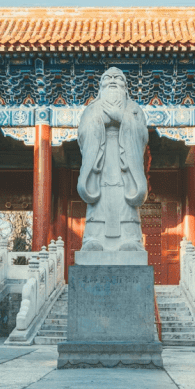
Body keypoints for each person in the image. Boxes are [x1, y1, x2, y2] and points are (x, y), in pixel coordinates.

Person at [76, 67, 148, 251]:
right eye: (108, 78)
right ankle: (93, 238)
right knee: (99, 199)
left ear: (125, 87)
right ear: (101, 87)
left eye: (118, 78)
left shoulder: (133, 109)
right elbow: (83, 135)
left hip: (125, 165)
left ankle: (131, 239)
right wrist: (99, 121)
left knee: (126, 199)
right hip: (100, 163)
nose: (113, 80)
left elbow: (142, 135)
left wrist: (122, 118)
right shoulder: (92, 108)